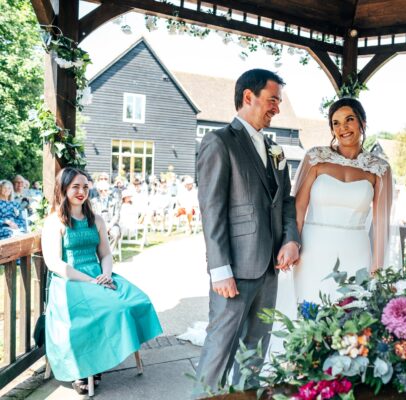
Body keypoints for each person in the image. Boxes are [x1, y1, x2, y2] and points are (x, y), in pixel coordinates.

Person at [192, 69, 300, 398]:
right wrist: (219, 269)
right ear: (248, 97)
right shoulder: (219, 141)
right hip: (234, 272)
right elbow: (213, 209)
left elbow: (285, 201)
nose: (277, 108)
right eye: (272, 100)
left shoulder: (275, 149)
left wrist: (291, 238)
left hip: (269, 269)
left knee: (255, 355)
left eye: (278, 102)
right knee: (219, 354)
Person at [41, 167, 163, 395]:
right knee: (110, 309)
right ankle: (85, 367)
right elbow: (54, 263)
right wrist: (90, 280)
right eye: (76, 186)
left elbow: (106, 254)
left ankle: (102, 359)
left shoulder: (95, 219)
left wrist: (105, 274)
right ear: (64, 187)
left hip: (99, 275)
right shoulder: (54, 222)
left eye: (86, 187)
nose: (81, 191)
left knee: (137, 301)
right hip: (70, 281)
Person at [289, 98, 393, 304]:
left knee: (350, 316)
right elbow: (299, 208)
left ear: (363, 123)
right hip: (312, 250)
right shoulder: (316, 158)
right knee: (308, 312)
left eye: (349, 119)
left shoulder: (379, 168)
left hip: (356, 251)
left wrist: (378, 266)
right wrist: (292, 243)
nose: (342, 128)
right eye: (335, 123)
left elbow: (381, 221)